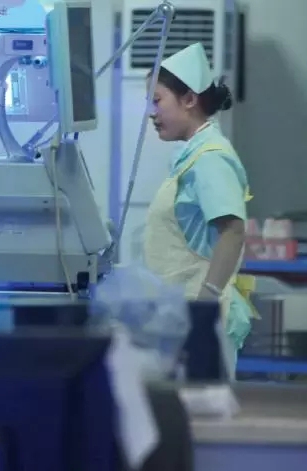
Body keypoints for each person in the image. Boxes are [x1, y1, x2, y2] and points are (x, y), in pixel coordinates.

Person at [143, 42, 254, 378]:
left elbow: (232, 231)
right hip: (182, 316)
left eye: (157, 100)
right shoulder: (192, 156)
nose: (151, 112)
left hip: (198, 318)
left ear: (189, 99)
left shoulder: (210, 158)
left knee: (199, 407)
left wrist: (206, 303)